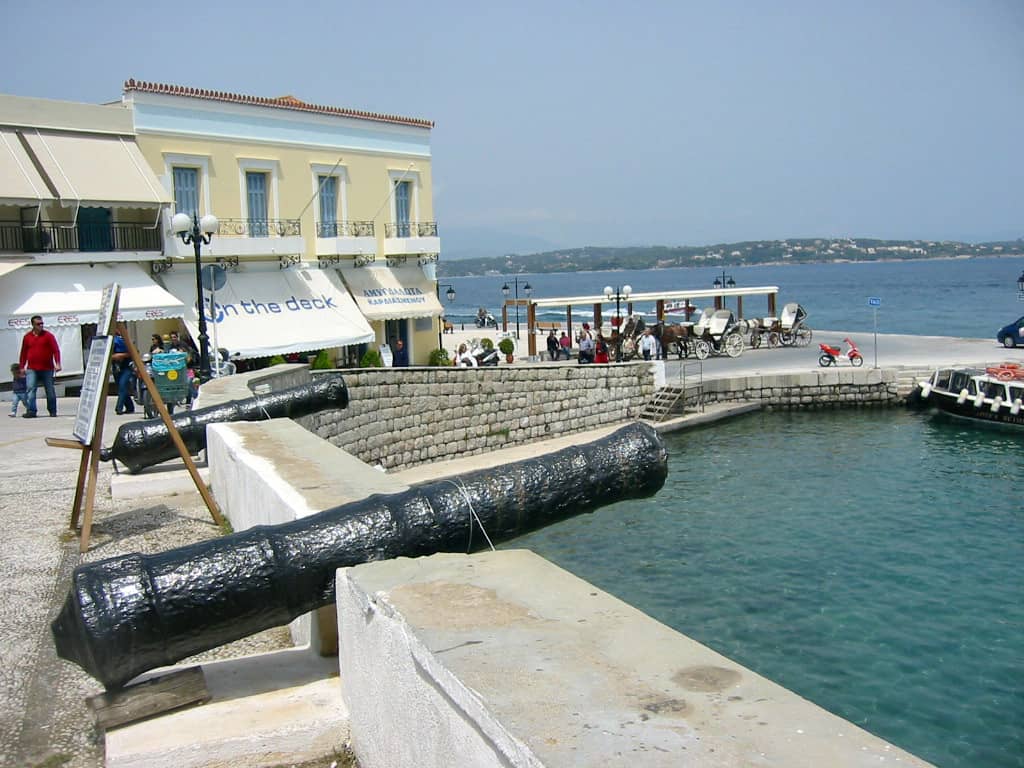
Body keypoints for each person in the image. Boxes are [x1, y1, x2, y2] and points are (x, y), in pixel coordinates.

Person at [19, 315, 61, 418]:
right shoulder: (27, 337)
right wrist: (22, 366)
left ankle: (52, 411)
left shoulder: (48, 336)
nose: (41, 325)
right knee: (30, 389)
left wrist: (58, 363)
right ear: (33, 325)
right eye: (38, 324)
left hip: (47, 368)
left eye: (42, 323)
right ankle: (31, 411)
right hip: (32, 368)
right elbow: (23, 353)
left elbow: (56, 350)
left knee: (50, 389)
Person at [111, 333, 136, 415]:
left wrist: (122, 355)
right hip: (116, 368)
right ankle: (130, 407)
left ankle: (119, 408)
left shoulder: (124, 340)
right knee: (122, 388)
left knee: (122, 385)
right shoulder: (110, 340)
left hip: (127, 367)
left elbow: (133, 352)